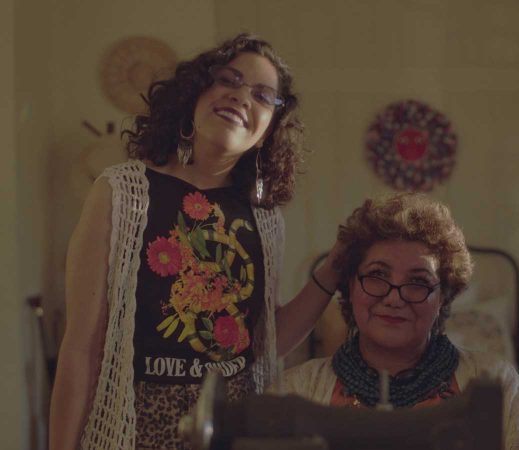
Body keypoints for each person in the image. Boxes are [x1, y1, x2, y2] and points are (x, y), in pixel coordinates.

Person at [49, 34, 341, 450]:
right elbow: (80, 347)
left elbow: (264, 342)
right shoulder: (122, 191)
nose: (241, 97)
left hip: (232, 428)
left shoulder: (265, 218)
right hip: (136, 430)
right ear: (196, 93)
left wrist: (332, 270)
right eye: (229, 80)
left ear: (269, 130)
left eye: (262, 95)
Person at [280, 193, 519, 450]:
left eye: (417, 282)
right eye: (377, 276)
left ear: (443, 298)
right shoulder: (297, 391)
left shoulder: (497, 384)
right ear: (351, 286)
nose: (393, 298)